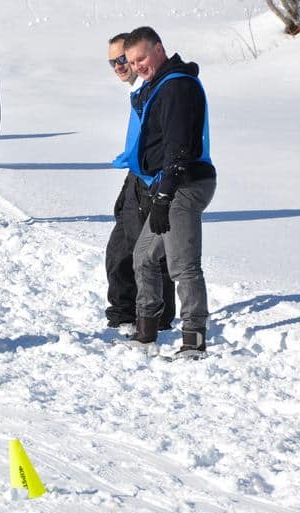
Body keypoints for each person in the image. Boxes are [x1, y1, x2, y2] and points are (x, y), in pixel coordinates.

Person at [120, 27, 216, 354]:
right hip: (169, 183)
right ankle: (146, 332)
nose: (137, 66)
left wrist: (164, 195)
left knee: (182, 264)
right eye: (132, 62)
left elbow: (179, 148)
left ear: (159, 49)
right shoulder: (160, 86)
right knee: (143, 256)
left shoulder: (177, 87)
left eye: (141, 57)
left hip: (185, 183)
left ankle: (194, 340)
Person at [106, 33, 175, 330]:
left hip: (152, 181)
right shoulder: (138, 90)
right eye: (114, 62)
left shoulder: (152, 87)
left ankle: (158, 316)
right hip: (134, 177)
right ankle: (123, 312)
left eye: (124, 59)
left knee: (147, 252)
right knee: (119, 249)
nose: (120, 66)